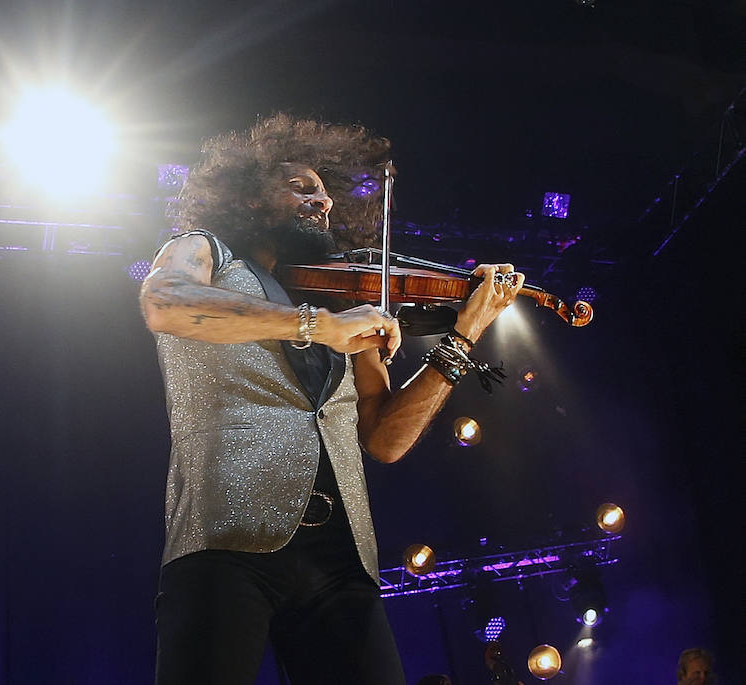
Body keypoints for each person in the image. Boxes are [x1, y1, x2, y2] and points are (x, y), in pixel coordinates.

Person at [139, 113, 524, 685]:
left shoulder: (343, 300)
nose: (322, 202)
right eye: (301, 188)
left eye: (325, 194)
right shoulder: (205, 251)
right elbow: (165, 302)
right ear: (249, 196)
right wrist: (318, 326)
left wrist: (464, 336)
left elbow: (386, 440)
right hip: (224, 537)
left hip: (341, 558)